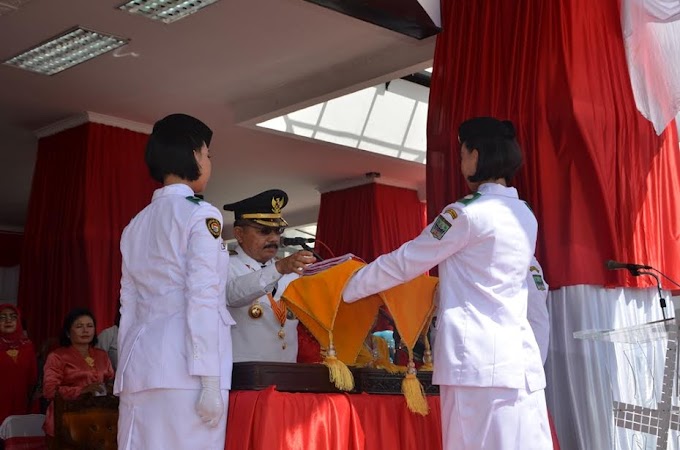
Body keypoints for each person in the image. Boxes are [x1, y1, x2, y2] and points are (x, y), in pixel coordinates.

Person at [342, 117, 553, 450]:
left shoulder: (466, 214)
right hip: (519, 363)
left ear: (476, 155)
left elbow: (407, 261)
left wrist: (350, 285)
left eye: (462, 154)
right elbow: (533, 291)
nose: (460, 163)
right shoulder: (524, 214)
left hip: (475, 364)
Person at [116, 113, 234, 450]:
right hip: (187, 371)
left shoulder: (135, 224)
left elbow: (130, 306)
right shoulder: (201, 214)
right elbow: (202, 297)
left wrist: (126, 371)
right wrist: (210, 380)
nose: (209, 163)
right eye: (208, 155)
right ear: (194, 154)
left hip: (140, 366)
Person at [223, 189, 315, 362]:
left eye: (278, 230)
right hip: (245, 378)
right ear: (239, 234)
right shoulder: (224, 266)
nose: (274, 238)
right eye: (264, 231)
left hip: (286, 372)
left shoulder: (291, 272)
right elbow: (233, 295)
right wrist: (279, 268)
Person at [42, 307, 114, 437]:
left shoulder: (102, 355)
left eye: (90, 326)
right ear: (68, 333)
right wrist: (82, 390)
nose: (85, 330)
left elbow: (110, 380)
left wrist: (110, 388)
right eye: (79, 326)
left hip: (100, 418)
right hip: (67, 419)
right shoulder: (57, 356)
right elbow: (49, 390)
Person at [0, 304, 38, 425]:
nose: (8, 320)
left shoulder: (27, 346)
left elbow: (33, 378)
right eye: (2, 317)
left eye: (13, 316)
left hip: (22, 403)